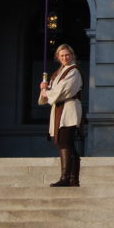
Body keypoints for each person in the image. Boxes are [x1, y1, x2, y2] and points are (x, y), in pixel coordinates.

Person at [39, 43, 83, 187]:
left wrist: (48, 93)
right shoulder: (59, 72)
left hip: (69, 109)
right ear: (58, 57)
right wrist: (45, 88)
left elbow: (64, 90)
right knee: (67, 143)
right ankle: (73, 178)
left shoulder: (73, 71)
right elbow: (53, 91)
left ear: (72, 55)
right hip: (59, 109)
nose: (65, 57)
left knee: (65, 142)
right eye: (62, 55)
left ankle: (66, 177)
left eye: (67, 55)